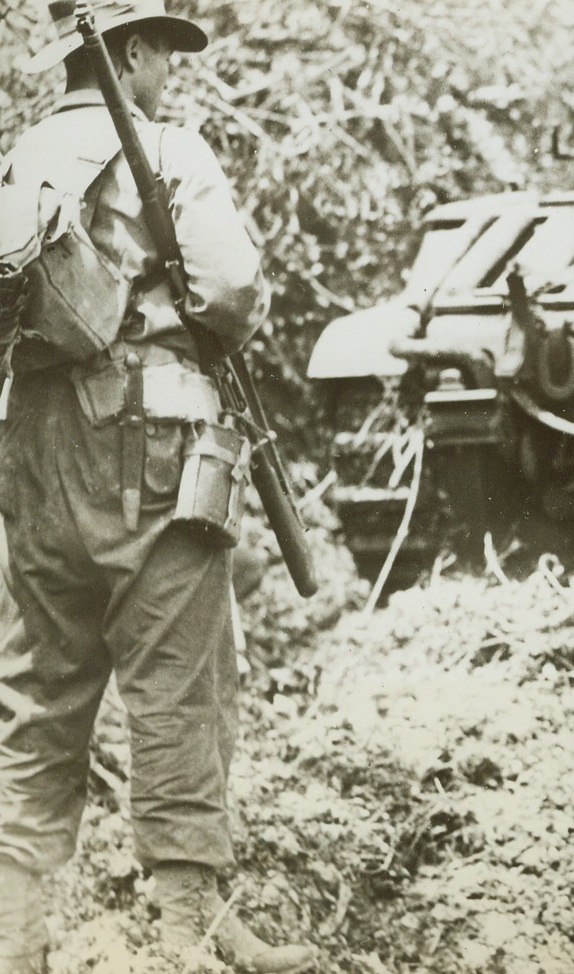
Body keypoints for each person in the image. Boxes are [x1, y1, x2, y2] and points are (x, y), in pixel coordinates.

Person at [0, 3, 316, 972]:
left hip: (34, 451)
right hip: (154, 450)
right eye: (164, 58)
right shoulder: (168, 149)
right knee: (179, 682)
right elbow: (233, 289)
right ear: (129, 53)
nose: (169, 78)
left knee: (39, 692)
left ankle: (15, 936)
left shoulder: (20, 158)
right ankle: (191, 933)